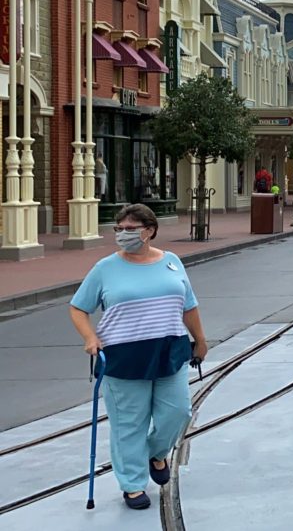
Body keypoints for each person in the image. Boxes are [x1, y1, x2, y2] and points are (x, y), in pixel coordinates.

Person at [68, 204, 208, 510]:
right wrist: (90, 338)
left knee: (179, 411)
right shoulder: (105, 268)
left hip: (170, 350)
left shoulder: (171, 262)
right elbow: (78, 308)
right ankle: (132, 485)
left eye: (130, 229)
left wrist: (200, 340)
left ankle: (156, 453)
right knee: (129, 423)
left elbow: (189, 305)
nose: (123, 235)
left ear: (150, 230)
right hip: (124, 355)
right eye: (119, 229)